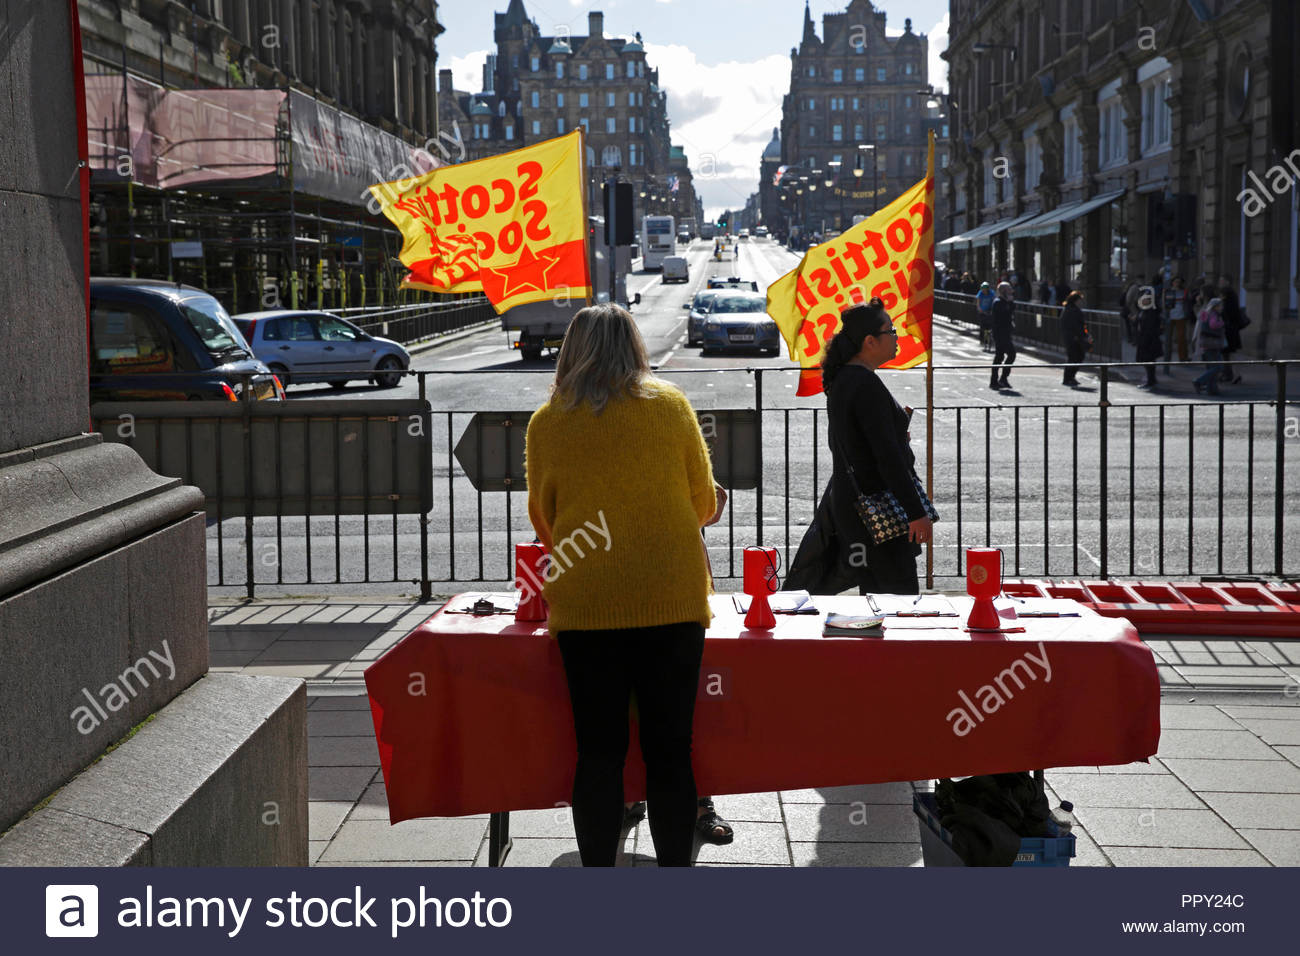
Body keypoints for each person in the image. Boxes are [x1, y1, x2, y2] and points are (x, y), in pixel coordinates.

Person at [524, 304, 721, 867]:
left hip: (586, 605)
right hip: (672, 601)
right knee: (670, 753)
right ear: (635, 348)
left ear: (571, 352)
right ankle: (675, 875)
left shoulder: (548, 421)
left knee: (599, 753)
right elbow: (702, 503)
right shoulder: (671, 406)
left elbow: (546, 520)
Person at [821, 299, 932, 594]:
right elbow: (888, 458)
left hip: (854, 504)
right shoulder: (865, 384)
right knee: (899, 600)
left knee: (874, 596)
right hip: (878, 506)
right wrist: (916, 512)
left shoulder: (844, 378)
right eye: (891, 331)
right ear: (870, 341)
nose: (896, 338)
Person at [1192, 298, 1227, 396]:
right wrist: (1222, 323)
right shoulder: (1213, 314)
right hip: (1212, 344)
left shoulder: (1206, 314)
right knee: (1218, 367)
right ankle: (1198, 381)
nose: (1221, 308)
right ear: (1215, 306)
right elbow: (1213, 325)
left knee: (1211, 367)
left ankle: (1211, 389)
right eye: (1220, 306)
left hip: (1206, 344)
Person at [989, 281, 1017, 389]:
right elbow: (1004, 316)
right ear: (1003, 291)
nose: (1011, 291)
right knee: (1011, 354)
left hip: (1005, 333)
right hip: (1001, 334)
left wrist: (1010, 303)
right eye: (1009, 289)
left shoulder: (1005, 302)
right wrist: (1009, 303)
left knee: (999, 357)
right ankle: (1001, 379)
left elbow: (1011, 311)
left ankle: (996, 380)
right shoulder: (998, 302)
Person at [1218, 274, 1244, 384]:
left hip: (1229, 329)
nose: (1220, 283)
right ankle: (1229, 374)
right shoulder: (1231, 296)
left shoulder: (1229, 296)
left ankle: (1234, 374)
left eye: (1222, 280)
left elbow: (1228, 313)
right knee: (1228, 353)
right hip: (1231, 329)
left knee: (1230, 352)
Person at [1162, 276, 1190, 371]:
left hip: (1181, 316)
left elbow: (1187, 303)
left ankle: (1183, 357)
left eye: (1178, 282)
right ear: (1172, 282)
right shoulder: (1168, 291)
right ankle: (1167, 358)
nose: (1177, 284)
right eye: (1175, 282)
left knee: (1181, 337)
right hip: (1170, 316)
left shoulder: (1184, 291)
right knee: (1168, 338)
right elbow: (1163, 303)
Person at [1135, 298, 1164, 389]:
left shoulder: (1152, 312)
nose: (1143, 301)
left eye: (1146, 300)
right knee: (1146, 360)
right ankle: (1151, 379)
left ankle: (1151, 380)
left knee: (1149, 360)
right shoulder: (1143, 310)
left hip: (1149, 340)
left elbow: (1150, 327)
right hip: (1143, 339)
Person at [1061, 290, 1087, 386]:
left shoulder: (1072, 309)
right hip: (1072, 338)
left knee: (1078, 357)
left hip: (1074, 337)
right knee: (1074, 357)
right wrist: (1078, 336)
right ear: (1075, 300)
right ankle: (1068, 378)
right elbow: (1075, 326)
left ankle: (1071, 377)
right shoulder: (1071, 310)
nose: (1082, 302)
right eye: (1080, 300)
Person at [975, 281, 995, 351]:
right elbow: (978, 303)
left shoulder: (991, 293)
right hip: (982, 312)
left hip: (989, 311)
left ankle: (990, 340)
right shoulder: (980, 293)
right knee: (983, 327)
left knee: (990, 327)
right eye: (983, 288)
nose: (984, 290)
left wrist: (993, 309)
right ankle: (982, 340)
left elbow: (994, 301)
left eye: (986, 288)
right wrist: (979, 309)